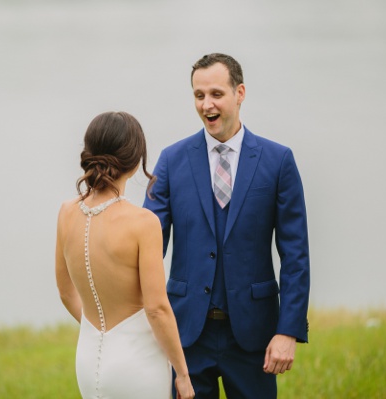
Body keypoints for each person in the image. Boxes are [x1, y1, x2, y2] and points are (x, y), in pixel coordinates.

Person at [143, 53, 310, 398]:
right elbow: (146, 245)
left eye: (216, 94)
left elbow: (295, 255)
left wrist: (288, 331)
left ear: (240, 93)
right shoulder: (171, 161)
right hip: (186, 335)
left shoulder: (278, 161)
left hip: (254, 338)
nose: (207, 105)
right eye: (199, 95)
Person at [55, 111, 195, 399]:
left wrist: (100, 332)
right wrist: (182, 373)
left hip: (87, 357)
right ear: (134, 161)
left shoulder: (66, 212)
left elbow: (66, 292)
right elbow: (157, 309)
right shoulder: (143, 223)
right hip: (138, 364)